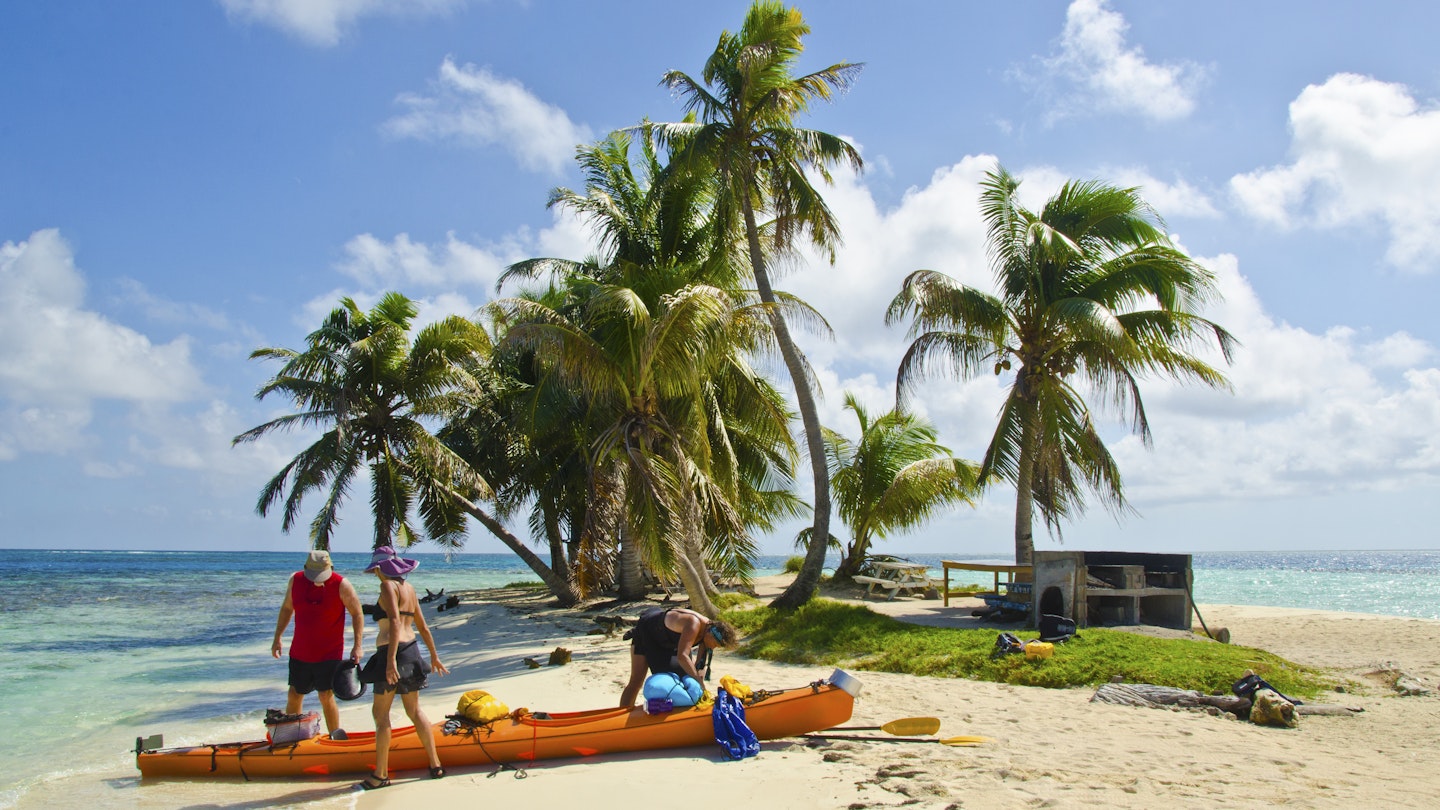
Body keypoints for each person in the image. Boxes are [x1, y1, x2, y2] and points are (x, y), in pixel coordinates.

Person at [355, 545, 448, 790]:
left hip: (392, 654)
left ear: (379, 569)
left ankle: (381, 774)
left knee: (381, 715)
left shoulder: (387, 586)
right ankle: (435, 764)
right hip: (412, 651)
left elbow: (394, 623)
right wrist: (434, 656)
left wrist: (389, 663)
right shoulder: (409, 588)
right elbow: (423, 627)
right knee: (415, 711)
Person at [271, 550, 364, 738]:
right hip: (300, 651)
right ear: (305, 568)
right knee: (295, 694)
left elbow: (357, 613)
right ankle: (292, 737)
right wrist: (277, 638)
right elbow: (287, 608)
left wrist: (357, 646)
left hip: (329, 653)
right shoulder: (295, 581)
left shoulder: (341, 584)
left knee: (325, 695)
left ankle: (335, 736)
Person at [619, 607, 738, 708]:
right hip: (648, 633)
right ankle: (622, 715)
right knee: (638, 681)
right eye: (716, 645)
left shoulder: (708, 632)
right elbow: (682, 656)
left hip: (669, 643)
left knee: (683, 678)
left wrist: (701, 688)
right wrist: (697, 681)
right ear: (711, 634)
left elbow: (698, 667)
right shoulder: (694, 624)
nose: (714, 648)